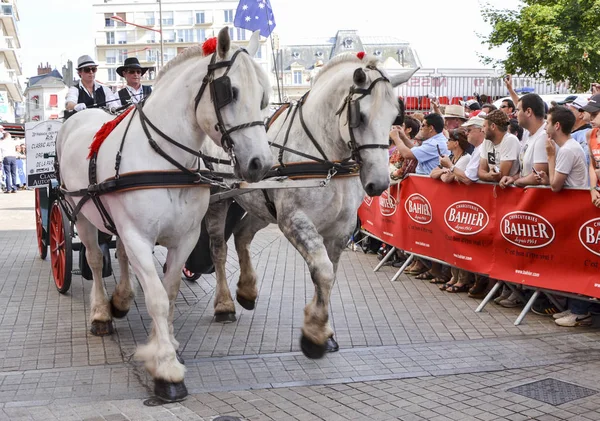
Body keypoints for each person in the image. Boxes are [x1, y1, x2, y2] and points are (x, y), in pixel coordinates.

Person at [478, 110, 521, 182]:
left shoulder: (510, 140)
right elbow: (481, 171)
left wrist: (487, 175)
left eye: (484, 126)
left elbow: (502, 176)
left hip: (509, 190)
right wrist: (488, 176)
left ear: (493, 126)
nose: (482, 130)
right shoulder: (487, 140)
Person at [0, 126, 18, 193]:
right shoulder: (12, 141)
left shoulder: (2, 142)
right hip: (13, 157)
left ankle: (9, 188)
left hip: (6, 157)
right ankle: (15, 188)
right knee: (14, 173)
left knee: (7, 173)